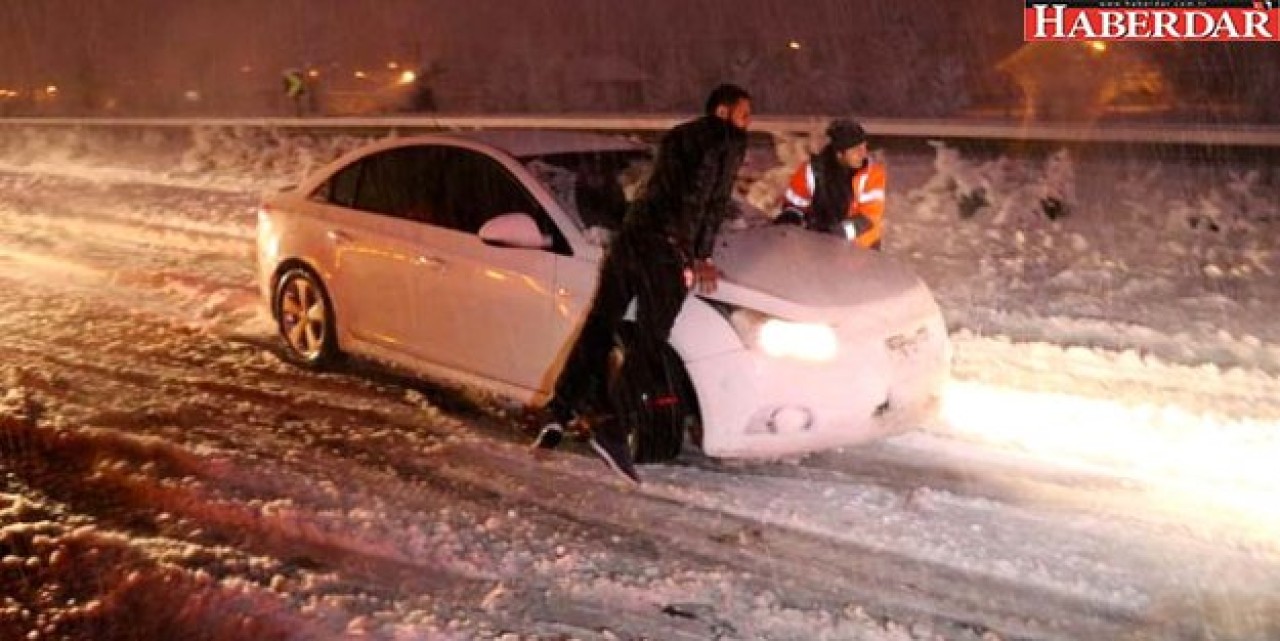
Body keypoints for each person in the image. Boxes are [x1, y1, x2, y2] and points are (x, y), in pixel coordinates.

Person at [530, 83, 753, 485]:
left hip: (630, 240)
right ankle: (613, 427)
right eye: (744, 114)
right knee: (651, 339)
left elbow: (663, 190)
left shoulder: (678, 136)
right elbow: (709, 201)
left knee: (600, 325)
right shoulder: (726, 140)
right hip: (663, 250)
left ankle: (560, 411)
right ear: (722, 113)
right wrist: (699, 254)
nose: (748, 122)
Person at [780, 118, 886, 250]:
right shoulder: (810, 171)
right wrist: (790, 220)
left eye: (864, 147)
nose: (863, 154)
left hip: (861, 250)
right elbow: (794, 206)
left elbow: (868, 218)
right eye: (856, 150)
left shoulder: (873, 174)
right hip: (818, 247)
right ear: (839, 154)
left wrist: (834, 233)